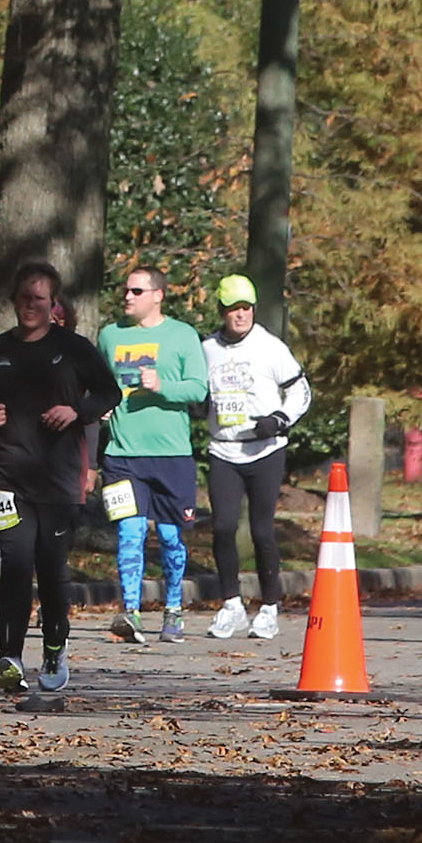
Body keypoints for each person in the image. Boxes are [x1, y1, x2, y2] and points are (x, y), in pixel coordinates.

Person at [0, 263, 122, 705]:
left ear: (52, 304)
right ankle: (10, 657)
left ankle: (55, 651)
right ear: (13, 301)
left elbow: (109, 393)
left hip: (57, 477)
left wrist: (77, 411)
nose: (29, 307)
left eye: (38, 300)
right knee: (15, 561)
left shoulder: (73, 348)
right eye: (23, 298)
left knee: (51, 569)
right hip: (5, 473)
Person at [97, 266, 208, 643]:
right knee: (129, 532)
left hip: (171, 455)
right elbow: (100, 384)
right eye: (125, 290)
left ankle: (173, 608)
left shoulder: (182, 335)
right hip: (122, 453)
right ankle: (130, 612)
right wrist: (101, 405)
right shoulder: (110, 335)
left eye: (137, 291)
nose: (127, 296)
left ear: (158, 295)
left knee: (171, 537)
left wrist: (163, 387)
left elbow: (198, 388)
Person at [201, 274, 310, 639]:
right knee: (223, 528)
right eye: (233, 309)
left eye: (246, 308)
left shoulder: (270, 347)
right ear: (222, 311)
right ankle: (231, 604)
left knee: (263, 530)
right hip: (224, 449)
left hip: (265, 450)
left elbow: (301, 392)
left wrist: (278, 420)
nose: (241, 315)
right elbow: (198, 392)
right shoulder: (207, 349)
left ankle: (269, 606)